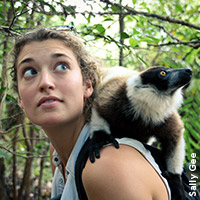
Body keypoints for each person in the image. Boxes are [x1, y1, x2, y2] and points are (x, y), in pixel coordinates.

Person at [11, 28, 170, 200]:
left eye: (61, 66)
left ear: (87, 85)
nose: (45, 83)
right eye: (30, 72)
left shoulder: (106, 165)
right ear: (19, 98)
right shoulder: (58, 153)